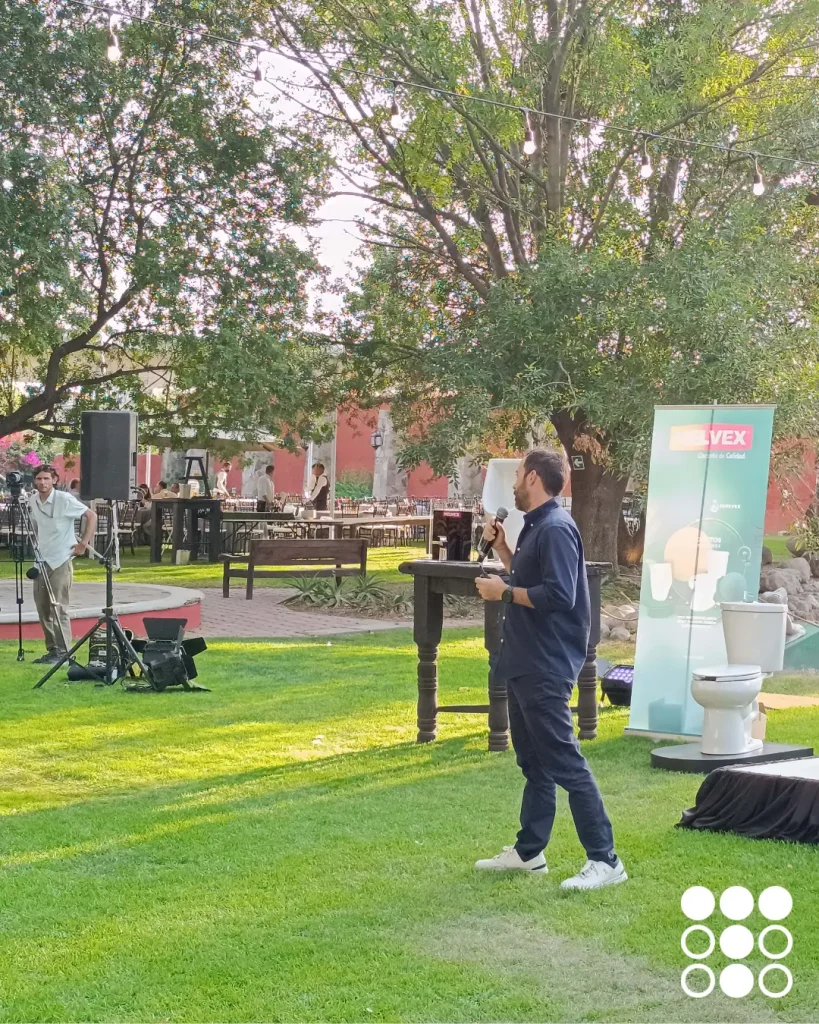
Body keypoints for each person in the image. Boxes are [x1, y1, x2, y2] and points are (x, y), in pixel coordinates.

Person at [473, 449, 627, 891]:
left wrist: (502, 593)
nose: (515, 483)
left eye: (519, 475)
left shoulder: (557, 528)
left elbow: (559, 595)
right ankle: (529, 852)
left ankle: (605, 859)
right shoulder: (537, 526)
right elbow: (531, 580)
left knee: (564, 762)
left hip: (546, 662)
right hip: (525, 659)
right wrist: (504, 550)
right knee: (534, 763)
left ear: (535, 478)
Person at [28, 464, 97, 665]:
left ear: (55, 480)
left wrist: (83, 543)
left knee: (58, 607)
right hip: (41, 560)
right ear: (35, 481)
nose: (43, 482)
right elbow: (37, 526)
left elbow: (91, 515)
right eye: (39, 479)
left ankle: (65, 653)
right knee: (43, 608)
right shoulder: (33, 500)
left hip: (61, 559)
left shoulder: (64, 499)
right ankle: (53, 650)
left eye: (46, 479)